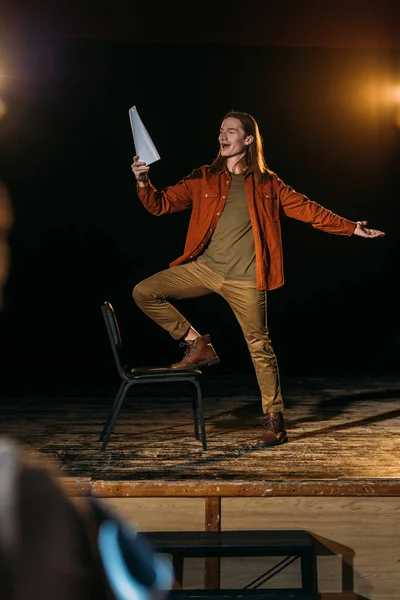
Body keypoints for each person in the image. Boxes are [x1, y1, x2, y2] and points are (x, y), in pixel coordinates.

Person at [131, 110, 385, 447]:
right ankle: (197, 342)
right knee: (144, 291)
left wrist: (351, 227)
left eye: (232, 131)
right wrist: (142, 180)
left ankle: (274, 420)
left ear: (248, 140)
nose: (223, 136)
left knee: (260, 347)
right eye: (221, 130)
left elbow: (308, 209)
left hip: (248, 279)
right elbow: (160, 205)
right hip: (205, 268)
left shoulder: (268, 183)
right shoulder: (203, 177)